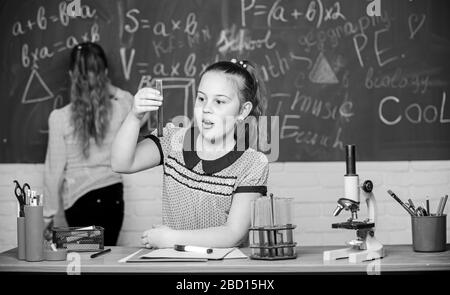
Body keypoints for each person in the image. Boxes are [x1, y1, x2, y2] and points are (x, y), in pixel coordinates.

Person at [111, 59, 269, 249]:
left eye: (219, 101)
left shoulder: (252, 164)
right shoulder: (172, 140)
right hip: (175, 266)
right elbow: (121, 163)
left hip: (224, 269)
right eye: (201, 98)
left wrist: (170, 238)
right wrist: (134, 116)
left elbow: (233, 234)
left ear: (243, 111)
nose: (206, 108)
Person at [43, 42, 141, 246]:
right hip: (113, 199)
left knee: (84, 260)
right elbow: (136, 106)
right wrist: (105, 84)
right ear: (104, 73)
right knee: (105, 258)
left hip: (80, 204)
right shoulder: (119, 108)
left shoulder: (59, 118)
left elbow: (54, 172)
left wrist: (47, 216)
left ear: (71, 75)